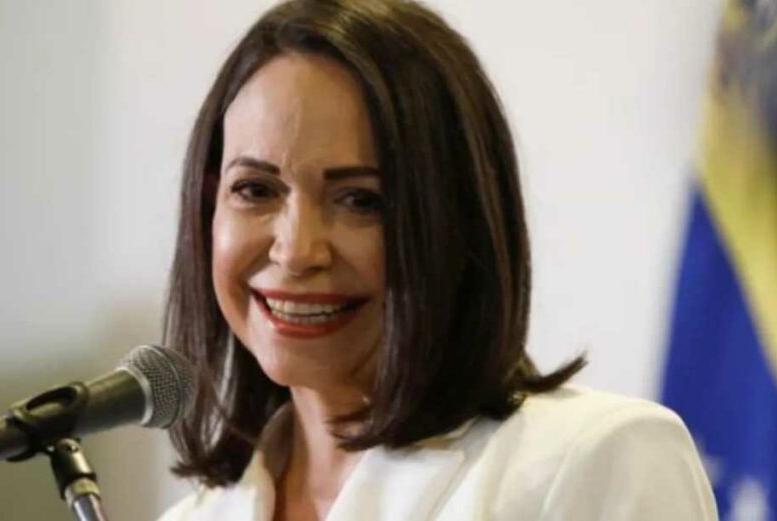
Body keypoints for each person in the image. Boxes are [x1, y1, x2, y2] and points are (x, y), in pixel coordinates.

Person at [157, 1, 716, 520]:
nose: (297, 251)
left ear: (457, 220)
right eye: (255, 190)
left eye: (361, 201)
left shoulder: (597, 460)